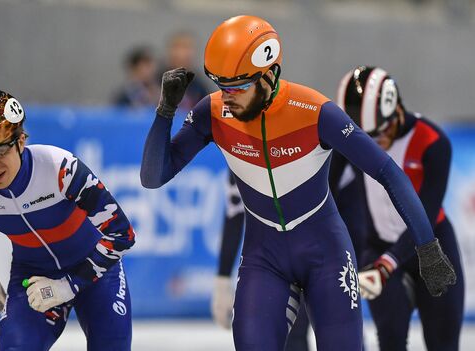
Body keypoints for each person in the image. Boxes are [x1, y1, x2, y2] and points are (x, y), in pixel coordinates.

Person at [140, 15, 456, 350]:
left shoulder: (315, 112)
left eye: (238, 87)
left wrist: (428, 248)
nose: (227, 97)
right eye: (221, 86)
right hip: (264, 257)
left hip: (326, 254)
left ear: (269, 74)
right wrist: (165, 111)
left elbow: (388, 172)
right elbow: (153, 176)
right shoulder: (214, 112)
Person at [0, 90, 136, 350]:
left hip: (96, 272)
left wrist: (69, 285)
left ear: (21, 141)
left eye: (0, 151)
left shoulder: (60, 169)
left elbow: (122, 235)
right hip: (32, 277)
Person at [334, 66, 465, 351]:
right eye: (363, 139)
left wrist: (388, 263)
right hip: (377, 246)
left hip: (432, 245)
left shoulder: (434, 142)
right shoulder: (350, 141)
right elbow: (327, 190)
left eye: (379, 134)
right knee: (391, 338)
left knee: (444, 341)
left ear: (398, 112)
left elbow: (427, 212)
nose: (372, 146)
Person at [211, 172, 311, 351]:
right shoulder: (239, 149)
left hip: (318, 243)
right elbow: (234, 211)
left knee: (339, 335)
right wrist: (222, 279)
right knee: (287, 333)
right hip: (273, 256)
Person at [160, 30, 211, 111]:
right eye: (178, 47)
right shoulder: (155, 82)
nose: (182, 53)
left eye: (187, 47)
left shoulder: (200, 87)